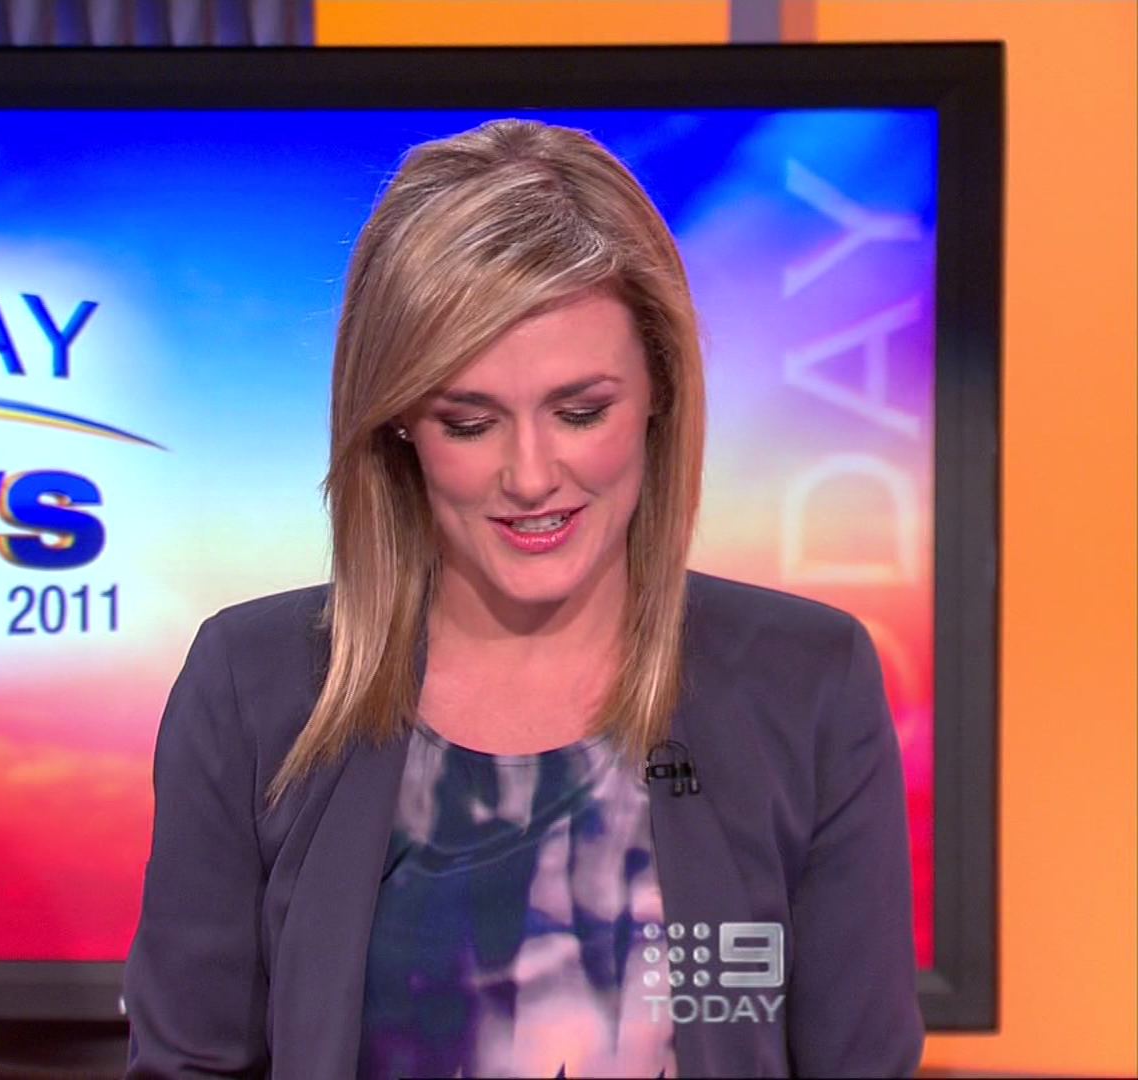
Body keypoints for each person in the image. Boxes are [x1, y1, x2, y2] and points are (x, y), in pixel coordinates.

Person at [121, 119, 924, 1079]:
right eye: (470, 422)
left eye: (581, 412)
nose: (532, 475)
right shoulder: (254, 686)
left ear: (660, 391)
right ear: (398, 423)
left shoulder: (807, 683)